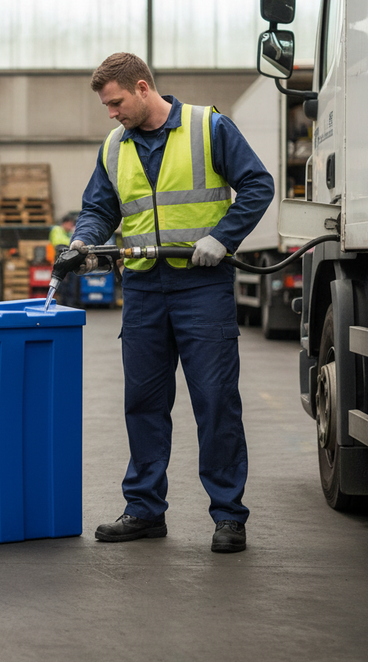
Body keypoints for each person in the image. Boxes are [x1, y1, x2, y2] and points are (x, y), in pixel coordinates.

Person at [72, 52, 273, 553]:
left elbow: (257, 184)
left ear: (142, 88)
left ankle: (229, 516)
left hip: (201, 285)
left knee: (215, 401)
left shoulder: (209, 127)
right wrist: (82, 243)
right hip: (142, 289)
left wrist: (223, 238)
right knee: (143, 403)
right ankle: (144, 509)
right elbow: (99, 207)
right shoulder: (115, 146)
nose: (111, 113)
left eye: (116, 102)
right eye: (106, 106)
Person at [49, 212, 80, 306]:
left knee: (72, 285)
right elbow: (59, 243)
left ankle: (71, 304)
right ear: (65, 223)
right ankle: (63, 304)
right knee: (62, 285)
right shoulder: (57, 230)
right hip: (61, 262)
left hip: (71, 262)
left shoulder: (69, 233)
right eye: (70, 224)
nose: (71, 226)